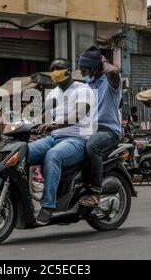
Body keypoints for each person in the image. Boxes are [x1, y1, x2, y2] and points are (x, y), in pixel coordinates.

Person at [28, 58, 95, 225]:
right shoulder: (53, 93)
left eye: (59, 68)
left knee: (53, 156)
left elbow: (78, 114)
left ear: (68, 70)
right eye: (52, 69)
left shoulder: (82, 89)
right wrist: (26, 125)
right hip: (54, 138)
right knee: (23, 152)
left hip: (77, 139)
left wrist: (54, 125)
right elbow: (45, 117)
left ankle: (48, 206)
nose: (55, 72)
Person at [78, 46, 122, 207]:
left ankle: (95, 192)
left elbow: (113, 72)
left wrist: (100, 60)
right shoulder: (87, 85)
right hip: (88, 130)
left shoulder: (111, 83)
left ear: (94, 67)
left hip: (108, 131)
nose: (80, 71)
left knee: (92, 146)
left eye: (84, 67)